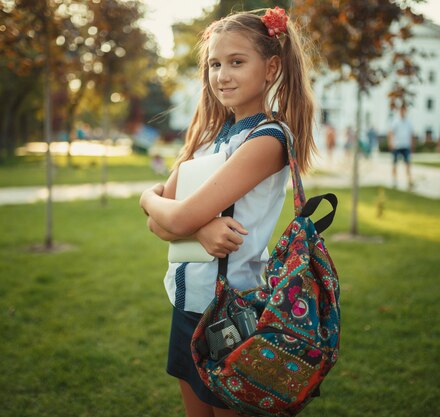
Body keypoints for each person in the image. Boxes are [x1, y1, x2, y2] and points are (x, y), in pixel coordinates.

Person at [139, 8, 317, 417]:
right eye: (216, 64)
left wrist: (152, 199)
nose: (223, 74)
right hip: (187, 303)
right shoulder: (209, 140)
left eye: (237, 62)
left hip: (231, 312)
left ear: (271, 68)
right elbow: (158, 223)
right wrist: (193, 224)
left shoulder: (268, 139)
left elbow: (173, 217)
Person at [388, 106, 414, 189]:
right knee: (395, 164)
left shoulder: (408, 122)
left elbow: (411, 134)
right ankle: (394, 181)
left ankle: (409, 181)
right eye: (401, 110)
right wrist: (391, 143)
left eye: (404, 110)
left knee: (407, 164)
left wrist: (411, 144)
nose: (403, 112)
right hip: (397, 145)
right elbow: (391, 132)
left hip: (405, 145)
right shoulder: (396, 121)